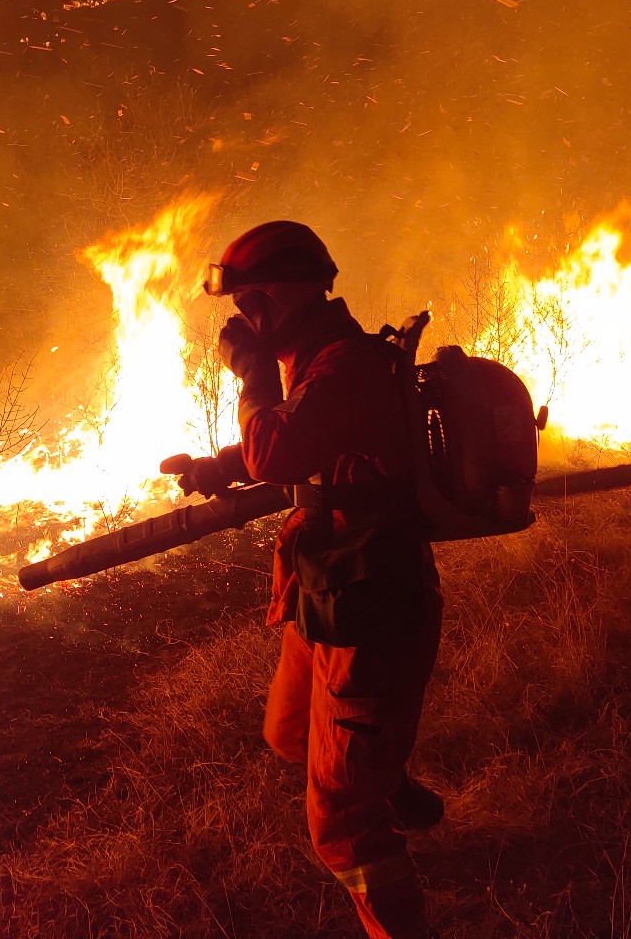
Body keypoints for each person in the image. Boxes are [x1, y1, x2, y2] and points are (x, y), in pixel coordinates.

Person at [161, 220, 441, 939]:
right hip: (327, 589)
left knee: (339, 826)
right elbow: (300, 437)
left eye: (247, 308)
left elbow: (279, 450)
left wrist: (251, 377)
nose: (240, 325)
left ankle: (379, 837)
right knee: (289, 731)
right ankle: (383, 777)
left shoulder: (345, 364)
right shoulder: (324, 362)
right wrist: (219, 466)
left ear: (277, 299)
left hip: (369, 607)